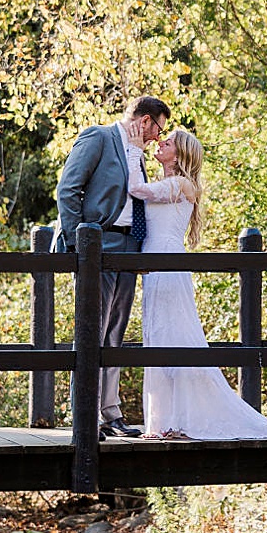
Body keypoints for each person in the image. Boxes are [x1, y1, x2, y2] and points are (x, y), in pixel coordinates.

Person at [122, 125, 267, 441]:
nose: (161, 143)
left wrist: (135, 148)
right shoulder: (166, 181)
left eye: (169, 141)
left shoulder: (182, 184)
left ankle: (178, 419)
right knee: (157, 336)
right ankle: (163, 422)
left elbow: (138, 191)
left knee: (173, 336)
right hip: (152, 265)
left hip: (168, 262)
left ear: (182, 153)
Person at [55, 95, 169, 439]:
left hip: (129, 249)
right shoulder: (99, 137)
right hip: (98, 246)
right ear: (145, 120)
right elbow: (67, 190)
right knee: (92, 332)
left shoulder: (137, 152)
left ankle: (110, 413)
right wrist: (79, 245)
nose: (156, 138)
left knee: (115, 335)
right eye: (157, 129)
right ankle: (85, 416)